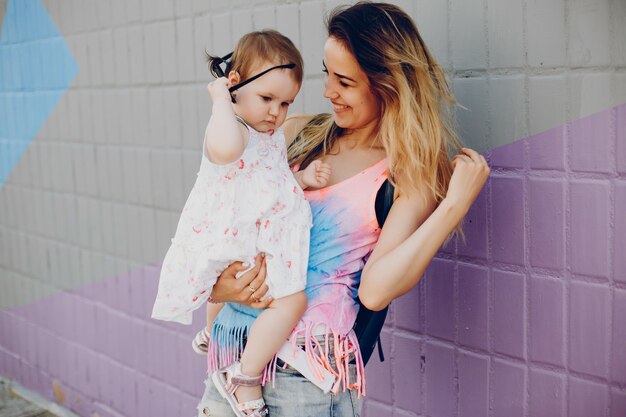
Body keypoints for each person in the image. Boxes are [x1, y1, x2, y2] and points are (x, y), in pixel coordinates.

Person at [196, 2, 490, 417]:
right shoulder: (297, 131)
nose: (328, 90)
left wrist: (454, 205)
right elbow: (227, 213)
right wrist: (218, 286)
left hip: (305, 380)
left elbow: (374, 290)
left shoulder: (406, 175)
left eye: (345, 82)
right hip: (232, 357)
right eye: (327, 73)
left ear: (387, 86)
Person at [152, 30, 333, 417]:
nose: (275, 112)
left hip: (247, 237)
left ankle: (212, 334)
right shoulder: (227, 127)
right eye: (266, 98)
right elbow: (227, 151)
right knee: (292, 301)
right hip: (228, 234)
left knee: (235, 285)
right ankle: (246, 378)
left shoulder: (269, 138)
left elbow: (270, 184)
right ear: (235, 83)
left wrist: (300, 180)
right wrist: (221, 100)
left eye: (285, 103)